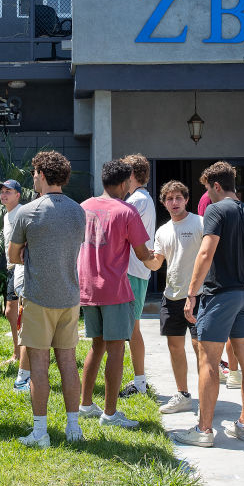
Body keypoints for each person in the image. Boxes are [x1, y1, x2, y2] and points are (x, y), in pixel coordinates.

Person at [171, 161, 244, 448]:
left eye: (208, 189)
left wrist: (191, 293)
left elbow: (206, 253)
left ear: (216, 186)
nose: (207, 195)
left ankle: (204, 430)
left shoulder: (216, 210)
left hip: (219, 295)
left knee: (208, 360)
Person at [8, 150, 88, 448]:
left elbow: (13, 255)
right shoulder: (79, 211)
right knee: (68, 362)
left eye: (34, 174)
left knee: (39, 365)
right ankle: (73, 428)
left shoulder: (27, 212)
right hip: (69, 295)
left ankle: (40, 432)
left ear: (41, 174)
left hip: (39, 297)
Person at [77, 160, 154, 429]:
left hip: (87, 287)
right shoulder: (127, 210)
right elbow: (143, 253)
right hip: (115, 289)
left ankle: (85, 404)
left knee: (96, 346)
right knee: (116, 349)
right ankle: (110, 414)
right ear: (124, 183)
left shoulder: (84, 206)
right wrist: (156, 259)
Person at [143, 180, 204, 414]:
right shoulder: (163, 230)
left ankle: (205, 396)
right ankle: (183, 395)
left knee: (201, 349)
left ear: (186, 199)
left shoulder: (199, 223)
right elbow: (157, 263)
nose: (174, 202)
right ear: (164, 203)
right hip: (172, 296)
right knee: (175, 347)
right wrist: (140, 254)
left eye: (179, 197)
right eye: (170, 199)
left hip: (199, 295)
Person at [119, 153, 156, 399]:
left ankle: (140, 382)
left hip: (132, 270)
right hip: (135, 270)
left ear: (132, 175)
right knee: (132, 328)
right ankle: (139, 381)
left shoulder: (138, 200)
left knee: (131, 329)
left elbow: (120, 229)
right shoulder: (140, 199)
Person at [0, 178, 32, 390]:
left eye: (8, 191)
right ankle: (17, 352)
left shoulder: (22, 212)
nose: (3, 194)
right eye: (2, 191)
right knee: (11, 312)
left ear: (18, 195)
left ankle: (23, 355)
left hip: (21, 268)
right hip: (12, 268)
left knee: (16, 312)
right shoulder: (6, 215)